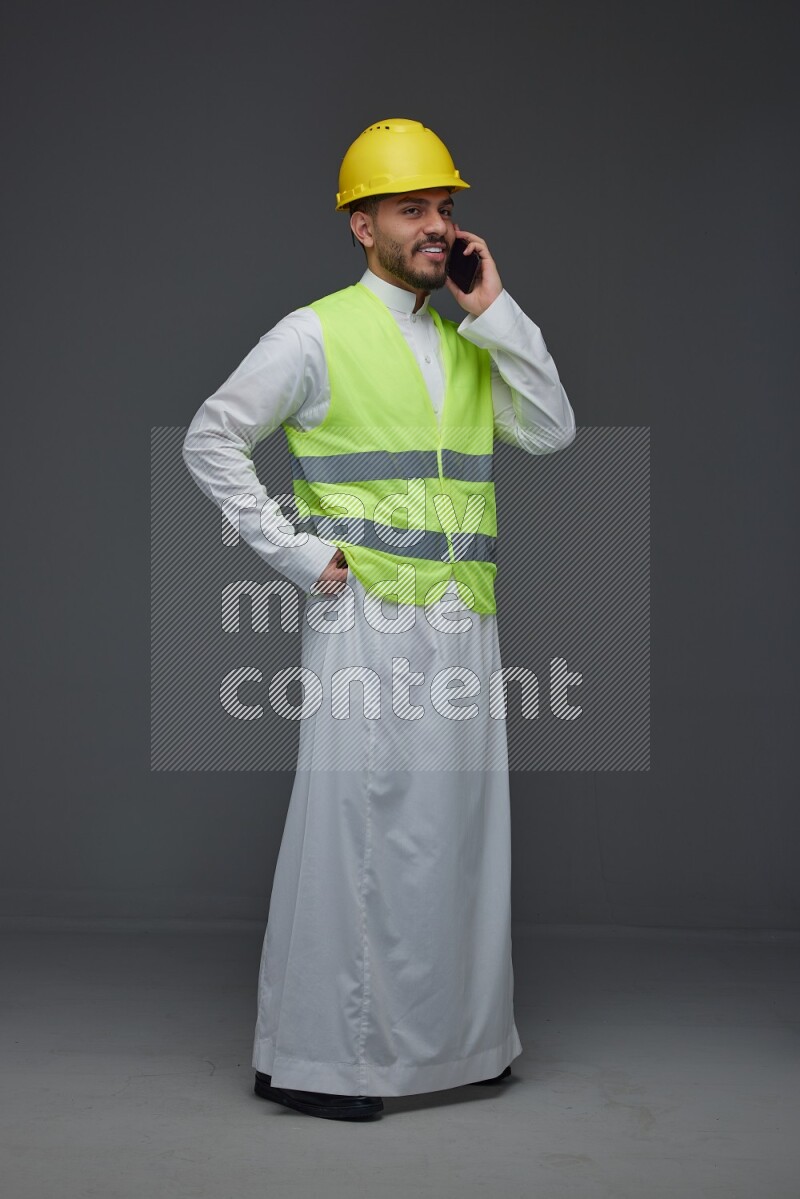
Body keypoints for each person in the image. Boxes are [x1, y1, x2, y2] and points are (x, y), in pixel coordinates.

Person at [182, 118, 576, 1121]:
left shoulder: (464, 338)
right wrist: (300, 555)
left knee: (457, 834)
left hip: (462, 618)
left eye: (445, 209)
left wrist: (493, 308)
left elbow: (550, 428)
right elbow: (212, 437)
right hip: (365, 616)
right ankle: (327, 1057)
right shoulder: (314, 332)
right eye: (414, 210)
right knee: (359, 830)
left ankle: (459, 1046)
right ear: (362, 226)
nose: (437, 227)